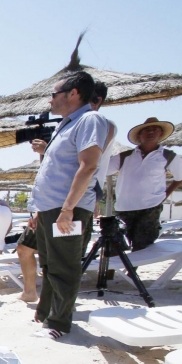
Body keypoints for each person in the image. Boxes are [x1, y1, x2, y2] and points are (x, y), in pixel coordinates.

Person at [31, 70, 108, 340]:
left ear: (73, 94)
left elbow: (88, 167)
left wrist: (67, 210)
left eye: (54, 94)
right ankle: (46, 314)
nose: (50, 100)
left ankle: (59, 323)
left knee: (64, 265)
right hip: (51, 207)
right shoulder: (67, 123)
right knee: (50, 264)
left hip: (68, 208)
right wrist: (39, 208)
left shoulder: (90, 119)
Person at [108, 117, 182, 252]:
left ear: (160, 134)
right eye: (147, 130)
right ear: (139, 135)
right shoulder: (125, 156)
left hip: (150, 208)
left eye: (155, 129)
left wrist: (164, 195)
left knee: (142, 247)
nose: (151, 132)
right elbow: (102, 170)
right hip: (124, 208)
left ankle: (131, 273)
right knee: (115, 248)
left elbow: (180, 177)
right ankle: (115, 273)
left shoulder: (168, 156)